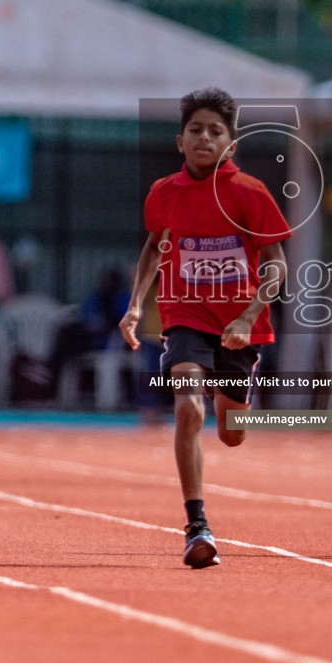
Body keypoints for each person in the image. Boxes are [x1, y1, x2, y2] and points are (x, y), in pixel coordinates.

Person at [119, 88, 290, 569]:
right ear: (180, 141)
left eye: (216, 131)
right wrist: (135, 306)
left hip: (239, 325)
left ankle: (234, 399)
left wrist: (248, 315)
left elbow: (276, 265)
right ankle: (197, 524)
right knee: (189, 407)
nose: (205, 138)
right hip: (185, 316)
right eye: (196, 130)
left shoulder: (250, 193)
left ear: (231, 145)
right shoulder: (163, 194)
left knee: (232, 430)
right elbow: (154, 247)